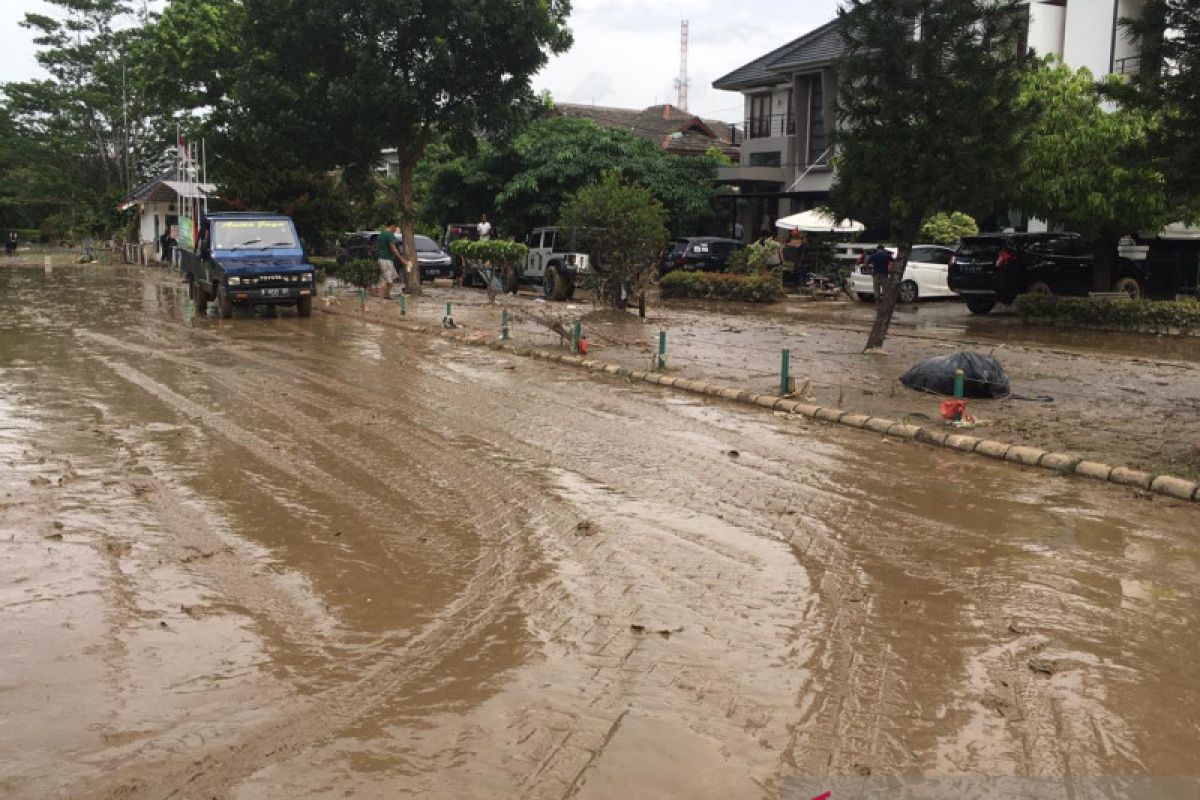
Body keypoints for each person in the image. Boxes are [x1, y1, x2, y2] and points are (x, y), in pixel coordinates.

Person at [376, 221, 402, 298]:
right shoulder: (390, 235)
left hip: (383, 259)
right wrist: (401, 259)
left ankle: (386, 295)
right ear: (392, 226)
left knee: (392, 279)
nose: (395, 230)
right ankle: (382, 297)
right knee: (389, 281)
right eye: (395, 228)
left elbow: (378, 247)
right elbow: (393, 248)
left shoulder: (381, 235)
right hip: (386, 260)